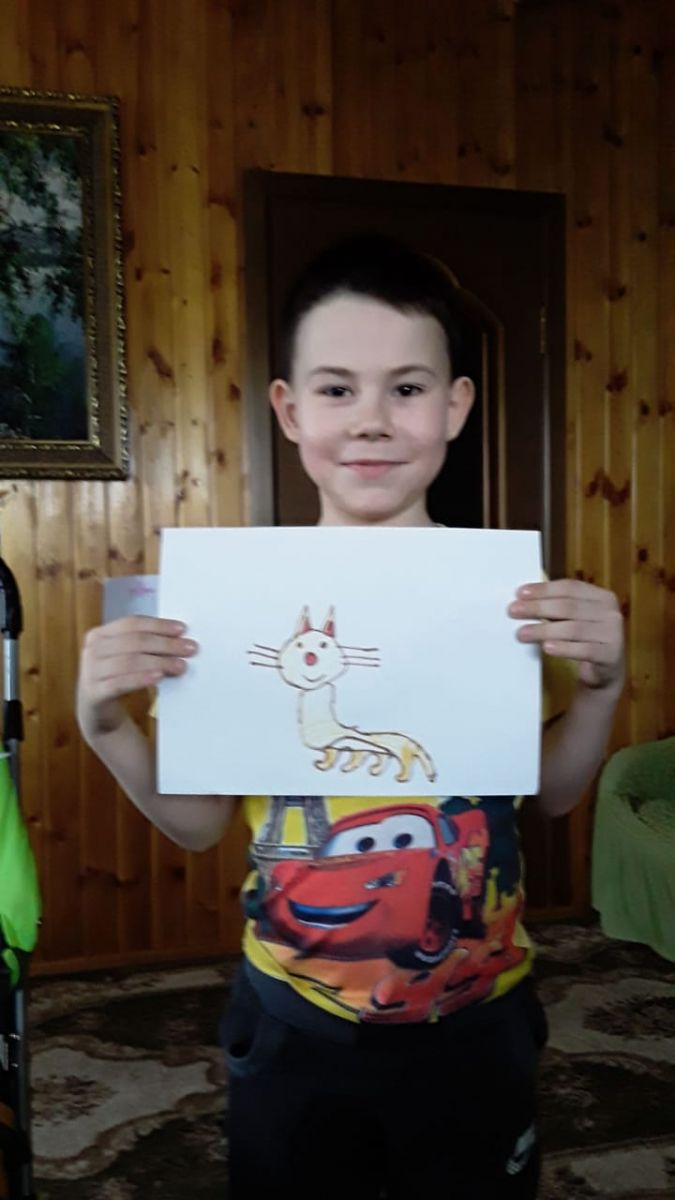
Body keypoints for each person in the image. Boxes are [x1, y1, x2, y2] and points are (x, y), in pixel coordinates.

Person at [76, 236, 625, 1198]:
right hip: (294, 1023)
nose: (371, 419)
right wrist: (110, 728)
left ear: (455, 406)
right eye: (336, 389)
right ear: (289, 410)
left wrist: (600, 691)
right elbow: (199, 824)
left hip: (478, 1020)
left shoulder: (503, 599)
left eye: (407, 388)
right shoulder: (236, 604)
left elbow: (546, 795)